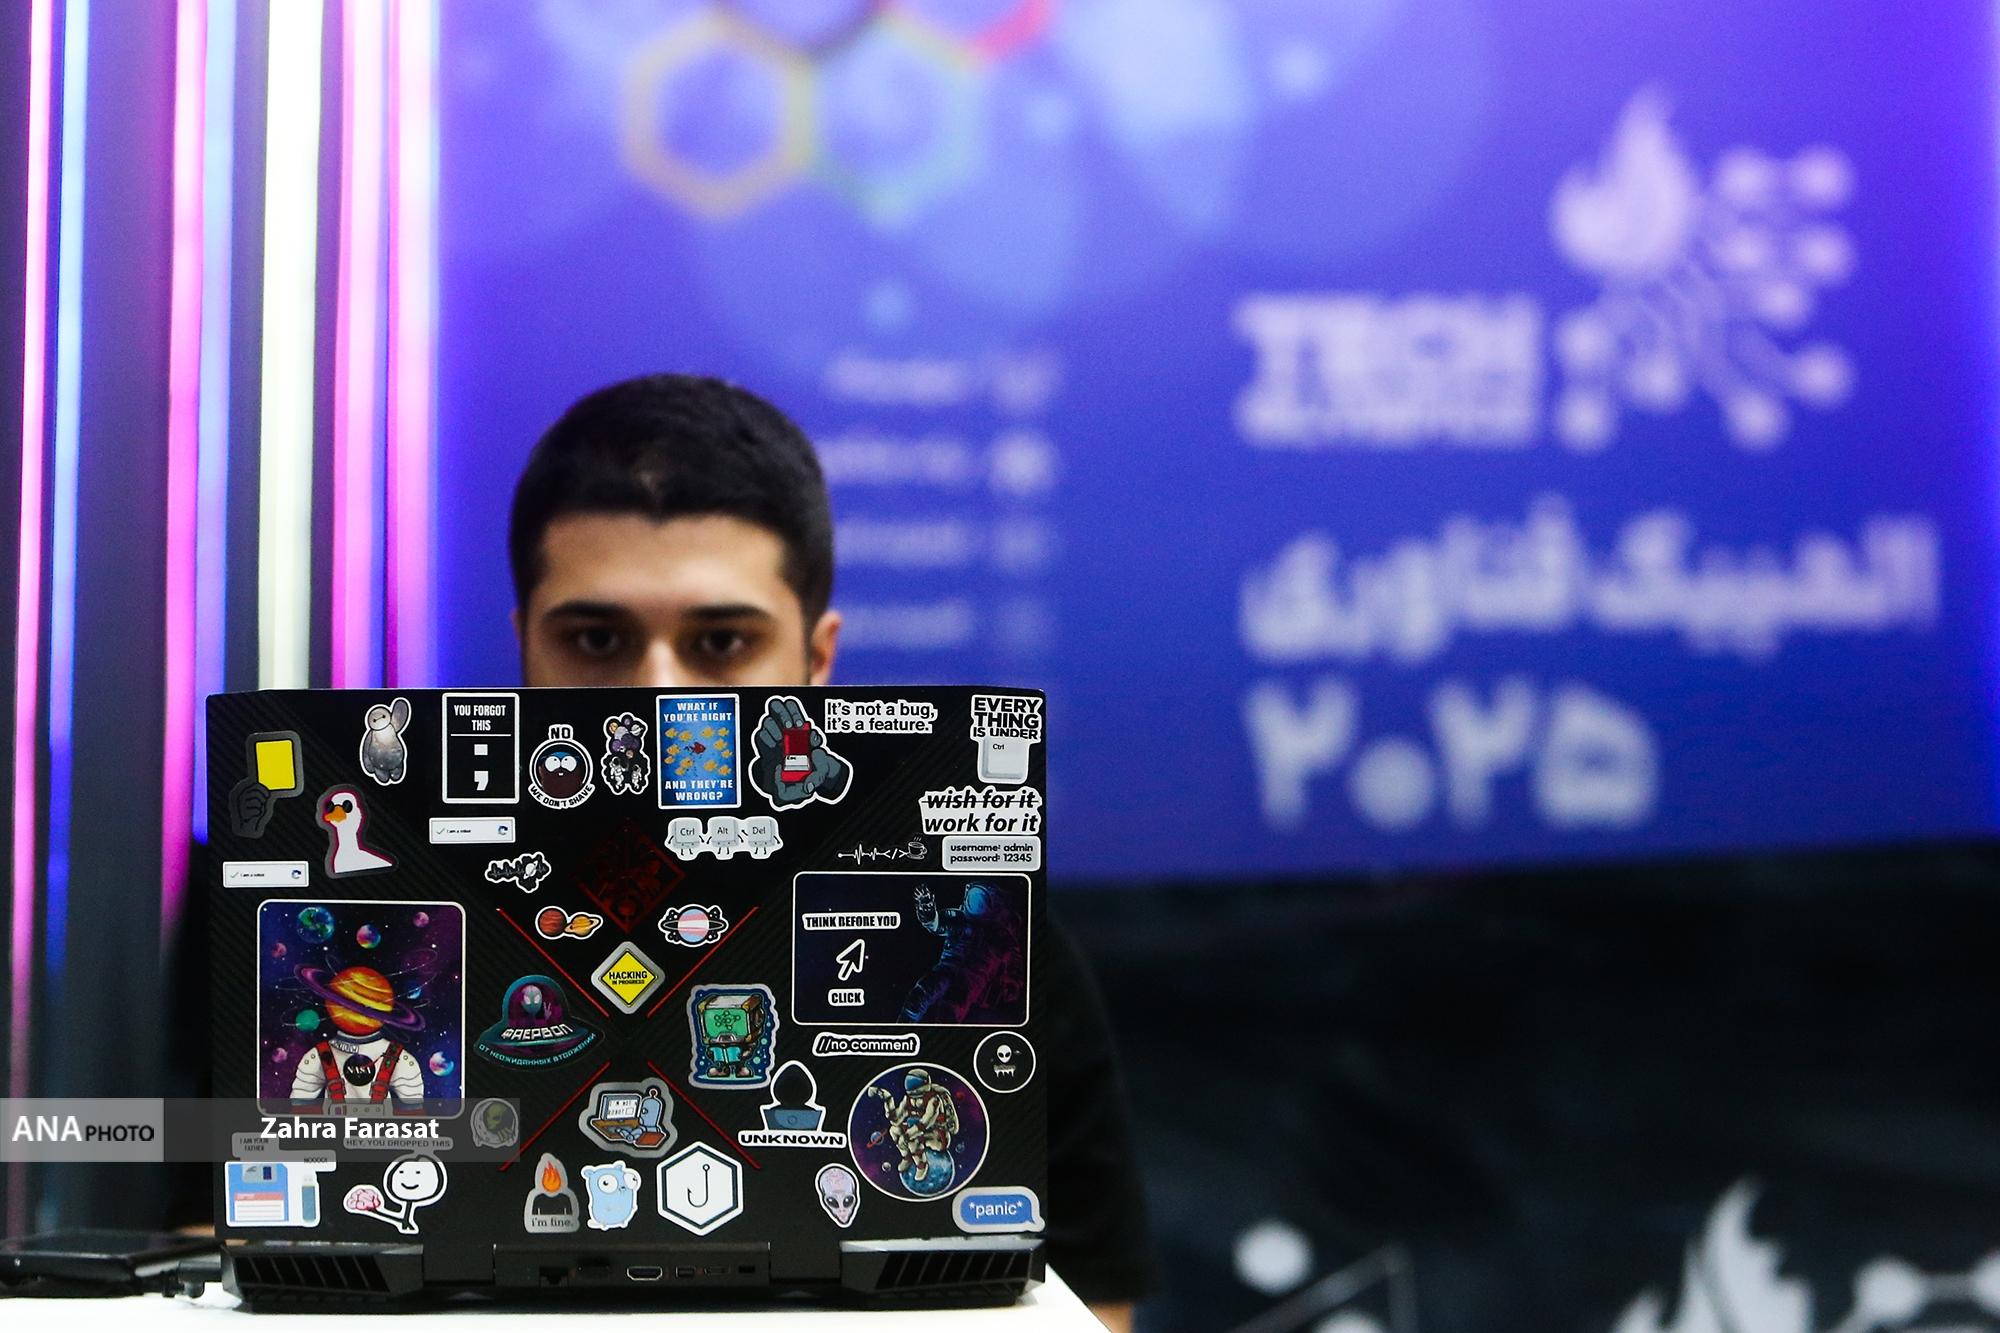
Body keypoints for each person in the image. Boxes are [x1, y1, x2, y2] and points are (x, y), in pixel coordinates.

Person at [508, 373, 1157, 1327]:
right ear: (524, 643)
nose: (658, 701)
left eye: (721, 643)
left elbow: (1091, 1310)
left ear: (817, 659)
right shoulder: (413, 920)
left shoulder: (995, 945)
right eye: (598, 638)